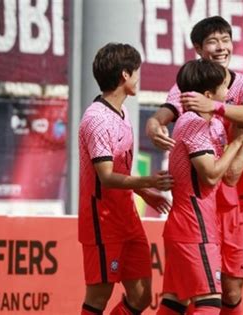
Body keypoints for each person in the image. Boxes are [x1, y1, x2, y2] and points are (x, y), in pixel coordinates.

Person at [146, 16, 243, 314]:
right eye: (213, 41)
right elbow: (165, 113)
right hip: (202, 204)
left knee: (229, 289)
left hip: (238, 199)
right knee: (195, 295)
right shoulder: (188, 94)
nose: (221, 47)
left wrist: (215, 106)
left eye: (226, 40)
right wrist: (153, 124)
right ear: (198, 48)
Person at [78, 43, 174, 315]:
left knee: (142, 294)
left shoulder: (123, 113)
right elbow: (106, 177)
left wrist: (144, 193)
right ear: (124, 75)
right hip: (102, 219)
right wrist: (149, 182)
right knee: (98, 296)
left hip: (127, 216)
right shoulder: (96, 119)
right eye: (136, 72)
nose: (138, 78)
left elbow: (118, 168)